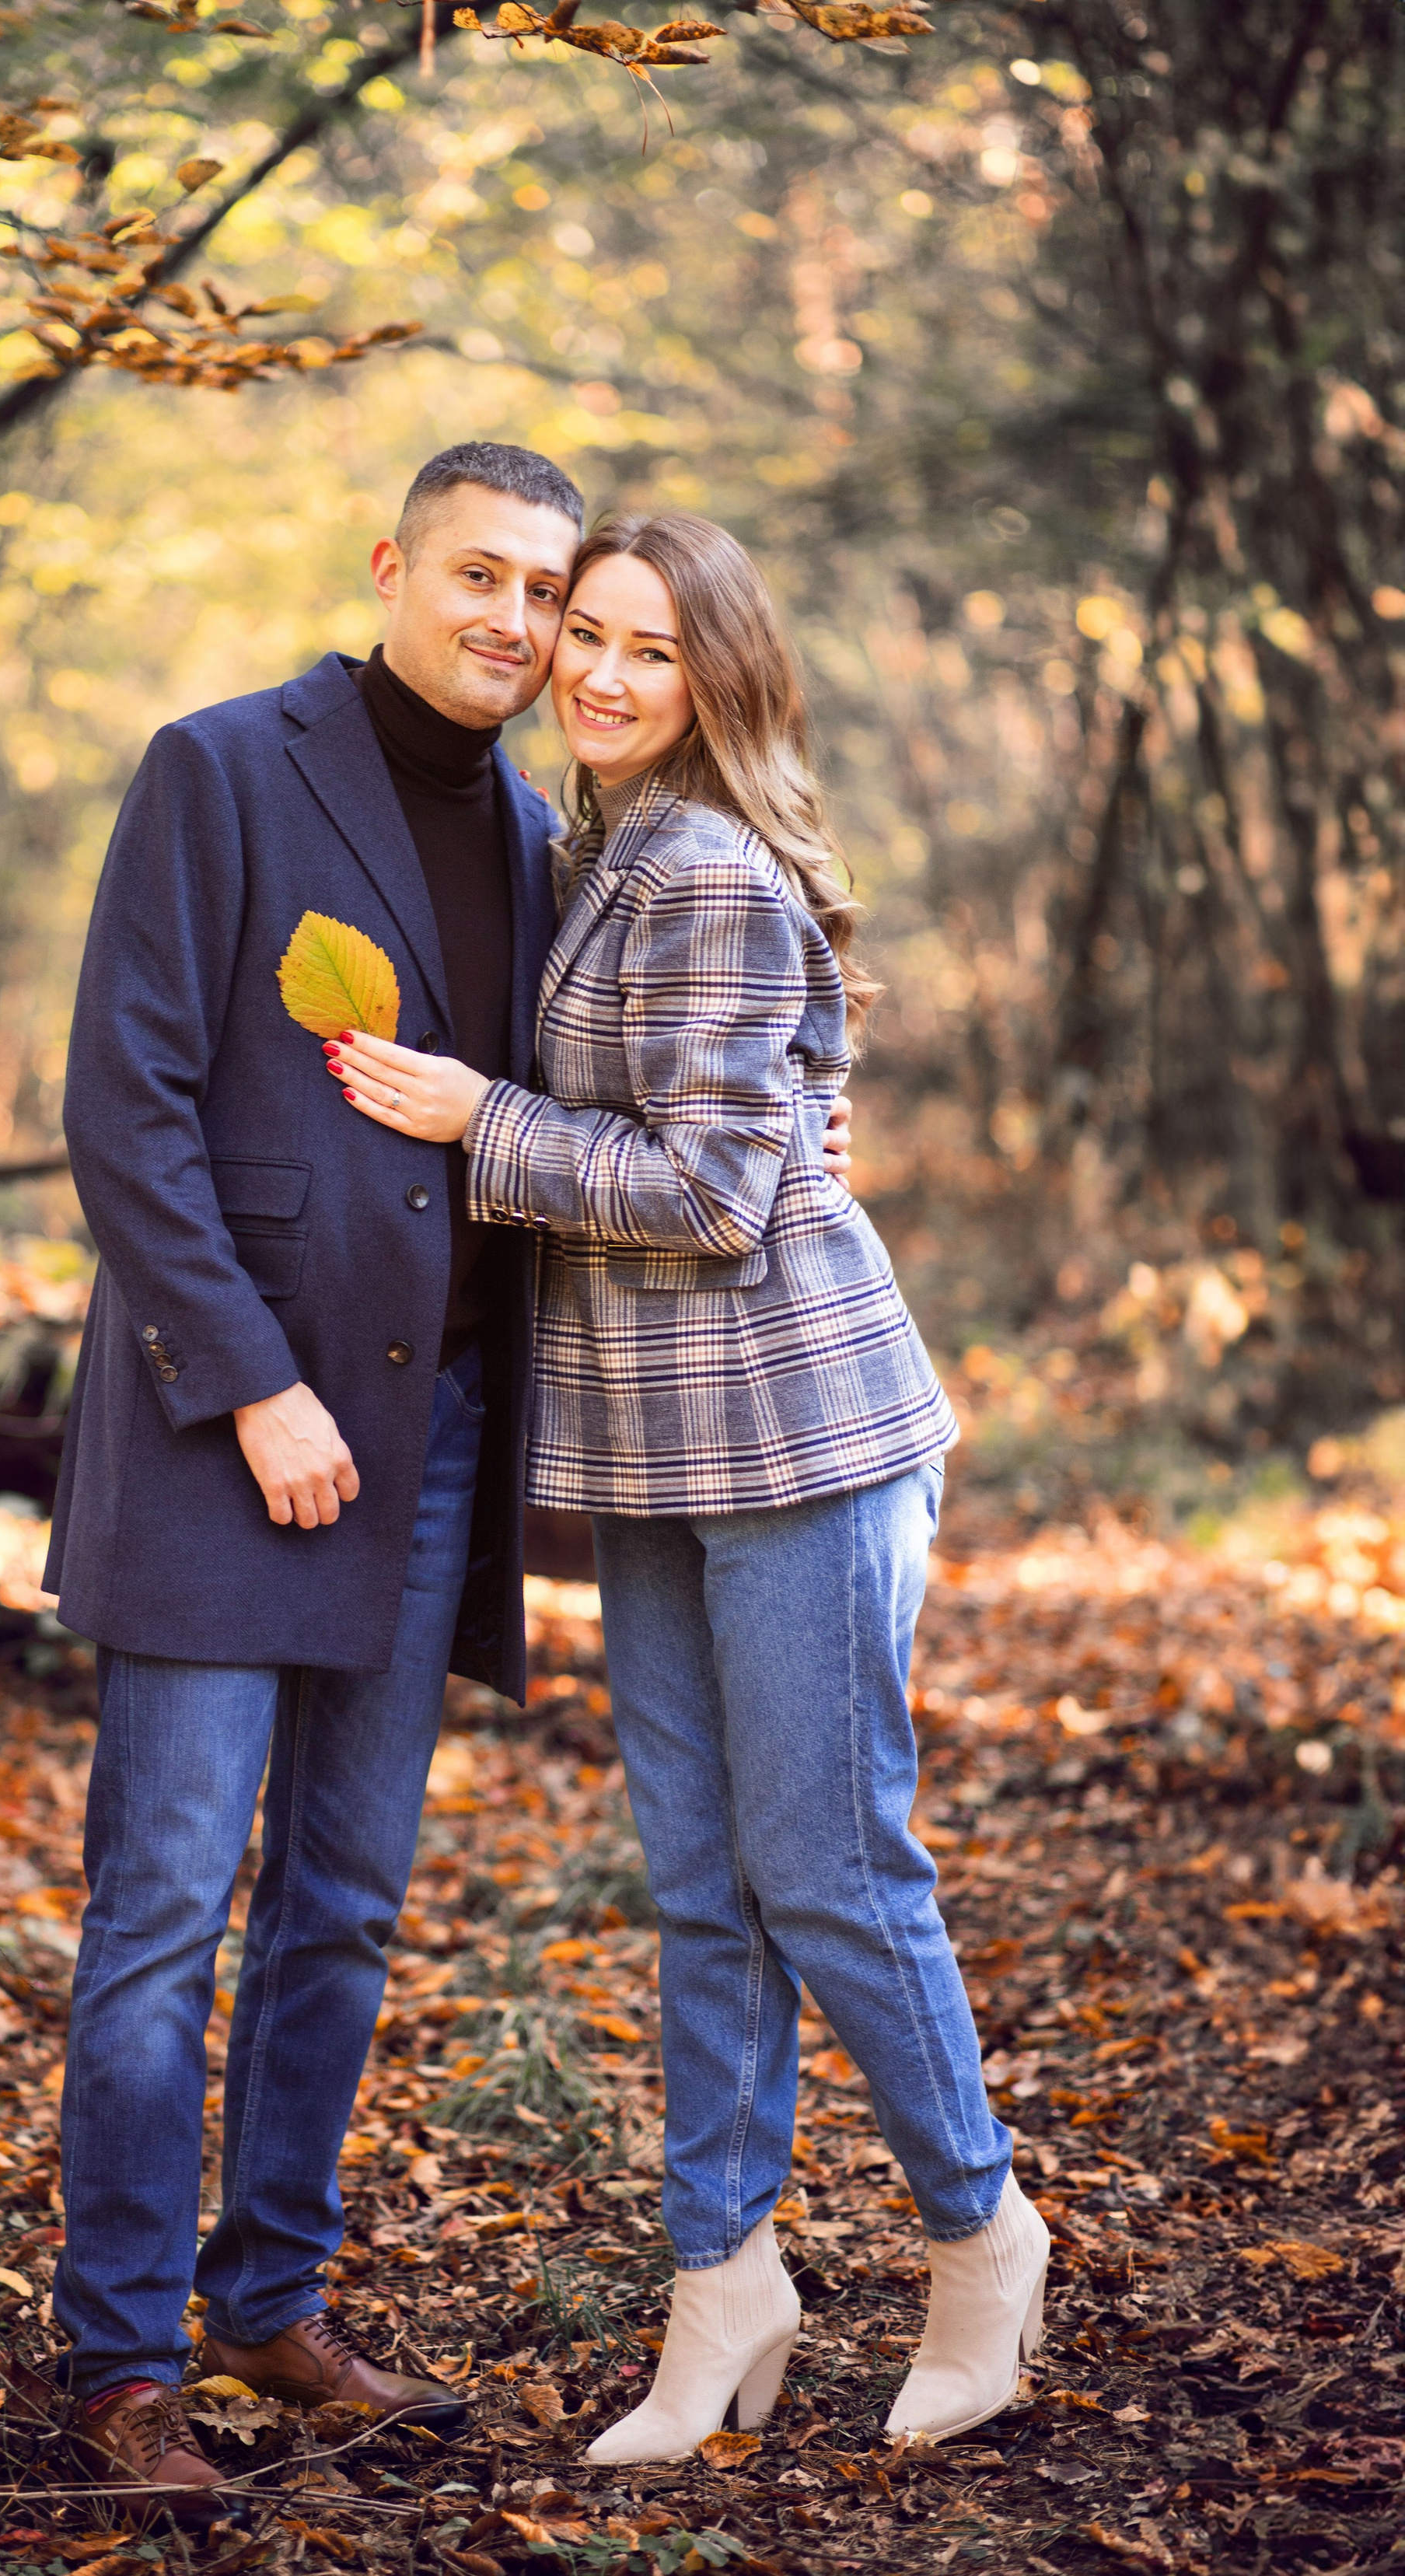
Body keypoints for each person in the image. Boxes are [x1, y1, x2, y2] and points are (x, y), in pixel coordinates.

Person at [327, 508, 1048, 2458]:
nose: (601, 671)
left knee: (824, 1866)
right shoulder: (595, 850)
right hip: (649, 1449)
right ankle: (722, 2279)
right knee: (700, 1887)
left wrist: (477, 1119)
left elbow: (714, 1194)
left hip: (799, 1434)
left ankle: (978, 2231)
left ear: (716, 679)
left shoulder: (704, 866)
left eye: (653, 649)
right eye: (587, 632)